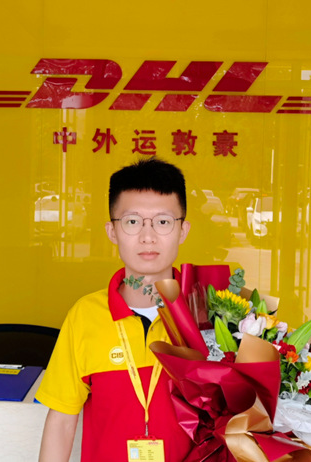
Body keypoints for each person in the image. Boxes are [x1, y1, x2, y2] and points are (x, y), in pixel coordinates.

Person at [36, 157, 193, 461]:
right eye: (132, 222)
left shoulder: (208, 316)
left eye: (163, 222)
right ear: (112, 231)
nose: (148, 236)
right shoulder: (85, 315)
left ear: (182, 230)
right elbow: (62, 421)